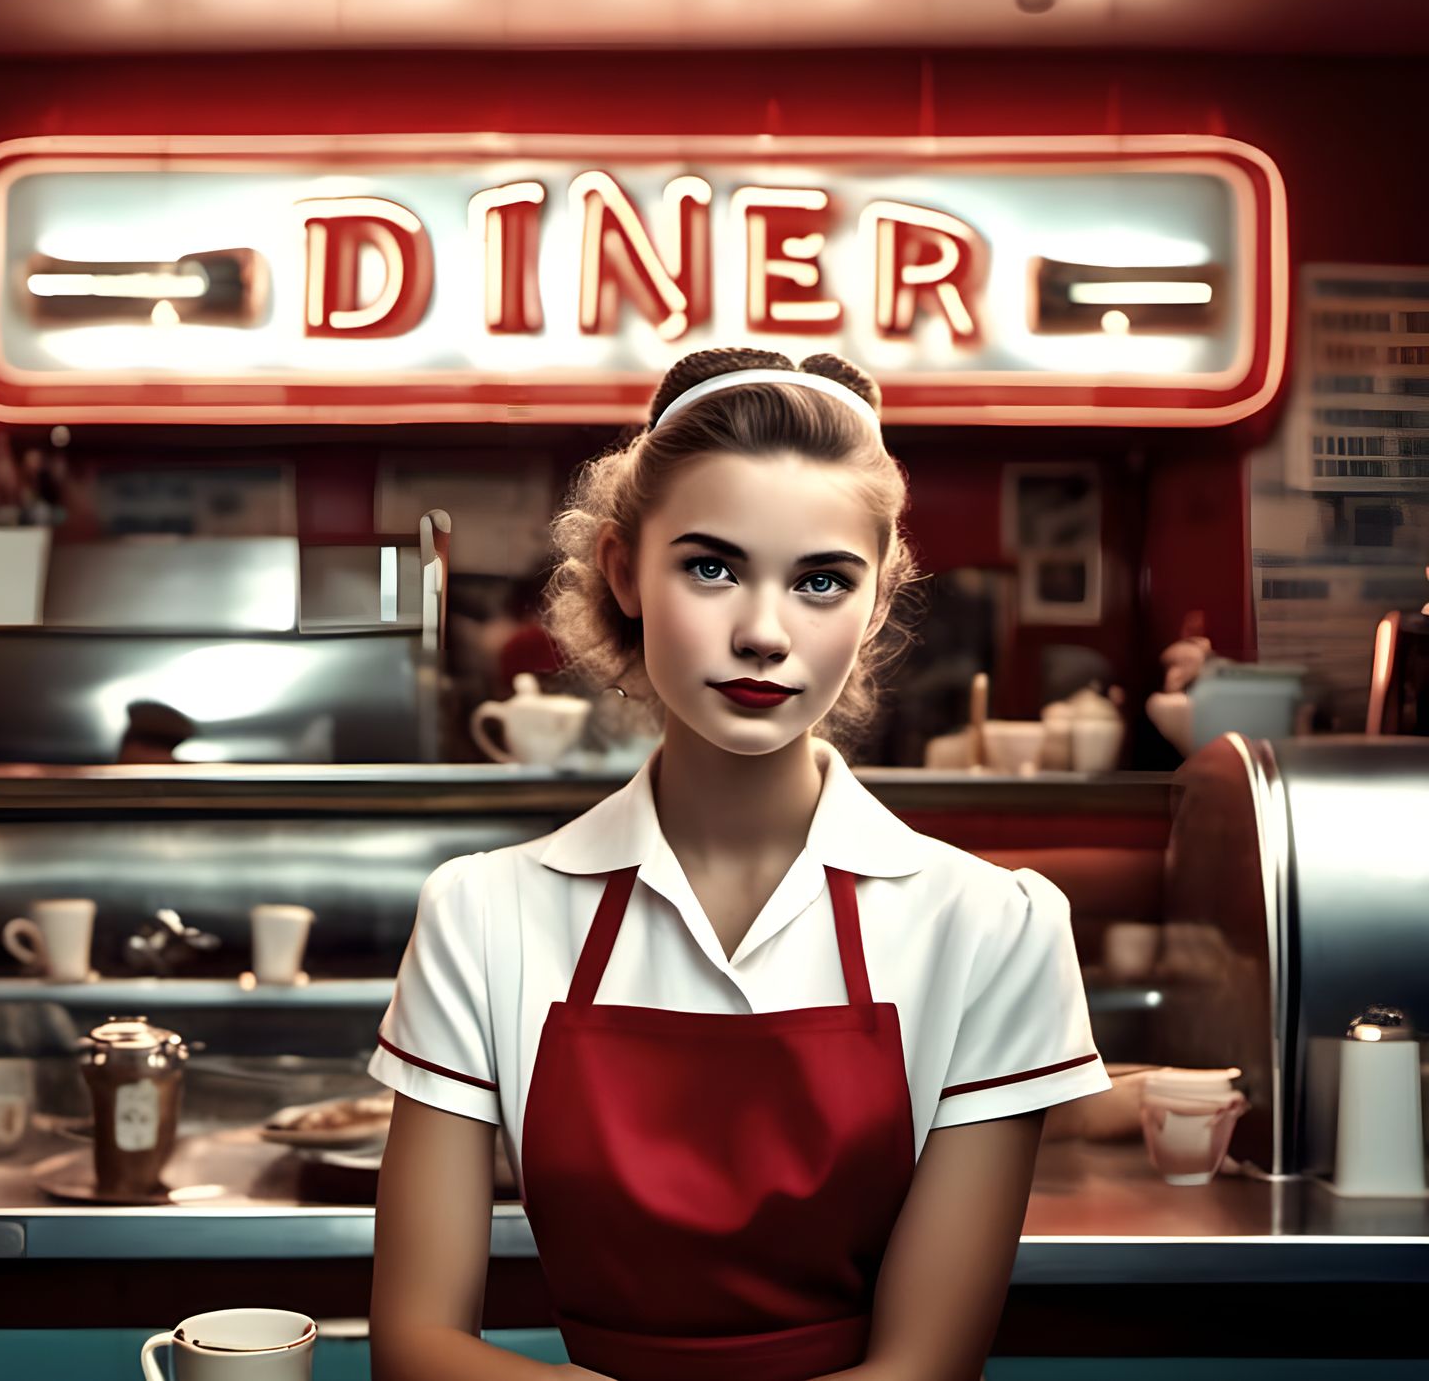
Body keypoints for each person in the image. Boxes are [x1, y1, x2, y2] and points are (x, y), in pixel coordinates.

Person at [366, 347, 1112, 1381]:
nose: (763, 633)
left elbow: (921, 1372)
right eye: (710, 566)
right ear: (625, 571)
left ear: (877, 603)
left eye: (819, 581)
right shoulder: (482, 914)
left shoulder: (991, 927)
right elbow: (414, 1350)